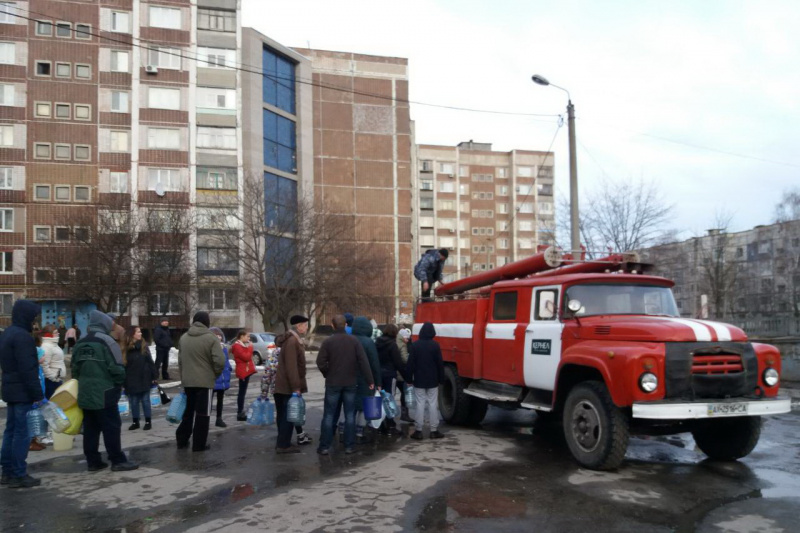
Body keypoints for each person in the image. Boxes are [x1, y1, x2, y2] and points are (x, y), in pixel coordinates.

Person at [72, 311, 138, 471]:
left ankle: (93, 461)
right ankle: (117, 460)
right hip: (105, 392)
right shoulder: (108, 341)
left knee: (90, 428)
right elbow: (117, 369)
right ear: (105, 324)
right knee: (112, 426)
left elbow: (74, 369)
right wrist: (117, 385)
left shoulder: (80, 343)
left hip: (85, 392)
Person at [0, 300, 44, 488]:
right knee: (21, 433)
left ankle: (8, 471)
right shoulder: (23, 337)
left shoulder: (7, 333)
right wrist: (38, 395)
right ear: (27, 316)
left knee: (10, 431)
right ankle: (19, 473)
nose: (35, 321)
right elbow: (28, 370)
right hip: (22, 391)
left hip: (10, 389)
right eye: (34, 317)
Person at [316, 315, 374, 455]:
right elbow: (363, 362)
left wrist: (327, 373)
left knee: (329, 415)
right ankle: (349, 446)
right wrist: (370, 380)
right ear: (346, 324)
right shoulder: (354, 341)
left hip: (333, 383)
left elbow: (320, 362)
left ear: (332, 325)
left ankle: (324, 446)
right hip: (350, 383)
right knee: (349, 415)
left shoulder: (328, 342)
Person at [176, 312, 226, 452]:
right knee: (203, 414)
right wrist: (213, 375)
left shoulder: (184, 337)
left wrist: (184, 377)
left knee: (188, 411)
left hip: (188, 381)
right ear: (207, 322)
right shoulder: (211, 338)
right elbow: (220, 361)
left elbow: (180, 362)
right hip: (204, 383)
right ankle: (199, 444)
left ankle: (182, 439)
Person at [273, 315, 309, 454]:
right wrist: (296, 387)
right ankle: (283, 445)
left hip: (284, 385)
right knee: (288, 416)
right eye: (305, 325)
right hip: (287, 386)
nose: (306, 327)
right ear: (299, 326)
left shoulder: (292, 340)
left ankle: (282, 442)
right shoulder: (292, 341)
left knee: (283, 415)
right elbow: (291, 366)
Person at [406, 322, 445, 440]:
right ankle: (434, 430)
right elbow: (440, 364)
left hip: (419, 379)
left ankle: (418, 430)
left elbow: (410, 364)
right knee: (433, 404)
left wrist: (409, 379)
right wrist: (441, 379)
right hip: (433, 379)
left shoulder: (415, 345)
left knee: (420, 403)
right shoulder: (435, 345)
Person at [352, 316, 382, 441]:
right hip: (366, 378)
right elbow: (374, 363)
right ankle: (360, 432)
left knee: (350, 406)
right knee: (364, 406)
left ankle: (343, 430)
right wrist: (377, 382)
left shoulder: (350, 339)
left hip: (350, 378)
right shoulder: (369, 342)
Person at [375, 324, 408, 434]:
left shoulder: (377, 343)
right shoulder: (392, 345)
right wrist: (406, 376)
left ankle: (380, 423)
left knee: (380, 398)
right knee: (389, 399)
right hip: (390, 375)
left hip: (379, 374)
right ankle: (390, 423)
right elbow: (398, 362)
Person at [124, 326, 157, 431]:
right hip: (131, 377)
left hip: (144, 376)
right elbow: (123, 364)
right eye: (138, 332)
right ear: (132, 334)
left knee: (146, 400)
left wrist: (154, 376)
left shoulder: (144, 345)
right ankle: (135, 421)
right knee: (133, 401)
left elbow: (150, 361)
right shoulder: (125, 348)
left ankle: (148, 421)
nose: (141, 333)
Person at [231, 330, 256, 422]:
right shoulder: (237, 346)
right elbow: (246, 357)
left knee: (243, 391)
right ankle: (240, 412)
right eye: (247, 336)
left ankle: (241, 411)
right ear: (241, 336)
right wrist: (250, 347)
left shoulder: (242, 345)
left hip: (245, 370)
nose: (249, 339)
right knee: (241, 392)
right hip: (242, 371)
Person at [210, 327, 231, 428]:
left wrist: (229, 370)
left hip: (222, 378)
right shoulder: (210, 347)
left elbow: (226, 361)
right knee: (209, 400)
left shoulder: (224, 348)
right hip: (213, 378)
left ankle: (219, 418)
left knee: (220, 399)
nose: (219, 337)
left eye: (220, 336)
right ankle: (206, 418)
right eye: (216, 335)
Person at [39, 324, 66, 400]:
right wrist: (54, 377)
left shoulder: (53, 344)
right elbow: (44, 366)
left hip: (56, 380)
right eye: (56, 332)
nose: (58, 334)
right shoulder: (46, 346)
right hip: (51, 382)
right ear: (49, 334)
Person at [396, 328, 413, 422]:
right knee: (404, 393)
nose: (407, 340)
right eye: (407, 338)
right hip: (400, 373)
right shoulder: (402, 345)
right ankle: (404, 414)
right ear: (403, 337)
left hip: (394, 372)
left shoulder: (395, 341)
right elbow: (405, 359)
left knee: (392, 393)